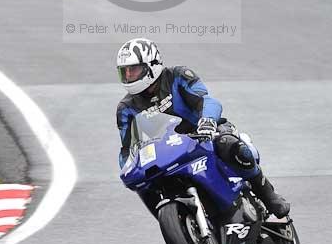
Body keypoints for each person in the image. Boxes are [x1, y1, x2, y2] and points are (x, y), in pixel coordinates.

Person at [115, 38, 290, 218]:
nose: (128, 76)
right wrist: (128, 168)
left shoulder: (178, 75)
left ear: (151, 66)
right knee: (145, 185)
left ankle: (268, 195)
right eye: (125, 72)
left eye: (133, 70)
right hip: (167, 153)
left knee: (228, 144)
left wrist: (207, 121)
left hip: (203, 133)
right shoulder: (125, 108)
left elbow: (207, 100)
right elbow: (128, 149)